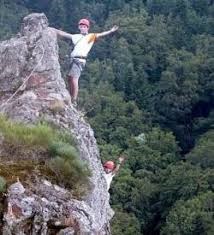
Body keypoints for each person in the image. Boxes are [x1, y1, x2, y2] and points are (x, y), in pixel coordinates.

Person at [52, 19, 119, 106]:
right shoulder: (76, 36)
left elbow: (101, 34)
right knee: (70, 78)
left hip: (79, 60)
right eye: (81, 26)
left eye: (84, 27)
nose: (83, 28)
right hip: (73, 59)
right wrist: (53, 29)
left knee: (74, 79)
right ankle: (70, 96)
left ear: (87, 28)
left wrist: (111, 31)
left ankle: (74, 100)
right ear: (79, 27)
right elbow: (63, 34)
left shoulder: (91, 36)